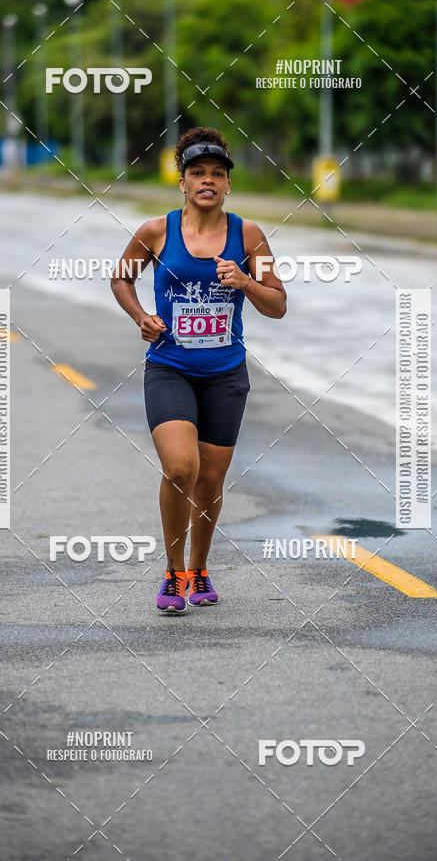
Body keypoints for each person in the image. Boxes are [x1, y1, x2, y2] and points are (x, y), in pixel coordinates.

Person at [111, 126, 286, 614]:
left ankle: (200, 569)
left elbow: (278, 305)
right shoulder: (156, 232)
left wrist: (246, 281)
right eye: (196, 172)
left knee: (210, 481)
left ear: (228, 184)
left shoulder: (249, 236)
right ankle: (172, 574)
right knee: (180, 468)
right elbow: (120, 278)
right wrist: (141, 316)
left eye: (217, 173)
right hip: (169, 367)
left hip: (226, 374)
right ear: (182, 182)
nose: (207, 180)